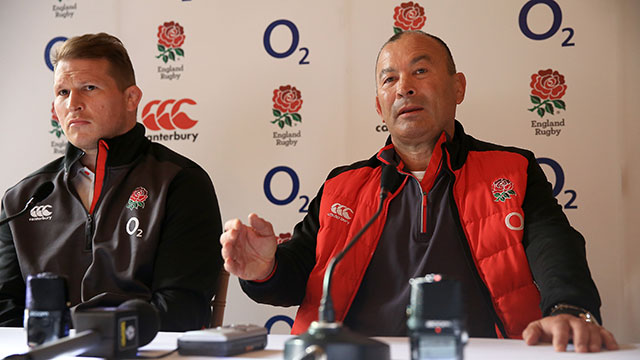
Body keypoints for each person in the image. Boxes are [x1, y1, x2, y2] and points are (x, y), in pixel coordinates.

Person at [220, 31, 618, 352]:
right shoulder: (343, 185)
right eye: (389, 79)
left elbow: (555, 247)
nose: (404, 88)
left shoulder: (511, 169)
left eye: (420, 71)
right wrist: (263, 271)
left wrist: (569, 308)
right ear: (379, 106)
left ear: (457, 87)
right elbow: (296, 279)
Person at [0, 33, 223, 331]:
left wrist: (76, 331)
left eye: (89, 88)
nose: (73, 104)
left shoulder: (180, 183)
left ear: (131, 98)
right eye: (63, 92)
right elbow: (5, 313)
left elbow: (181, 312)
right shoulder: (21, 199)